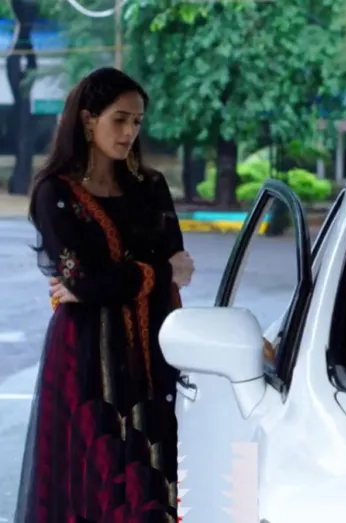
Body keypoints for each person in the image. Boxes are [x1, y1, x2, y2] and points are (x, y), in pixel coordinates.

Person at [15, 67, 194, 522]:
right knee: (95, 480)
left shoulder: (150, 187)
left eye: (137, 121)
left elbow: (181, 268)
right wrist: (152, 273)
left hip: (154, 352)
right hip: (87, 359)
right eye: (120, 119)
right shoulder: (55, 193)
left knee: (156, 478)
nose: (130, 132)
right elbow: (86, 282)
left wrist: (111, 281)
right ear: (88, 119)